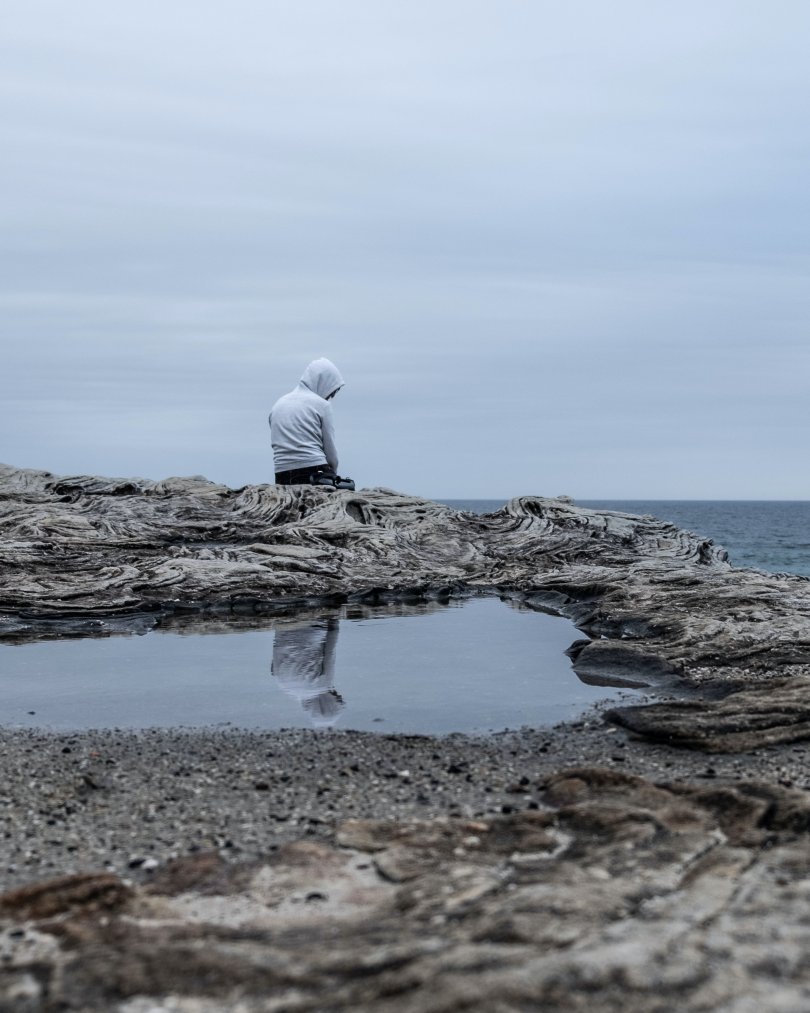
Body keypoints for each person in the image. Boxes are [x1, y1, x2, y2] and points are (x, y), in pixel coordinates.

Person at [269, 357, 350, 486]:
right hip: (314, 471)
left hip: (281, 474)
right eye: (332, 391)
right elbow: (331, 455)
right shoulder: (322, 405)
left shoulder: (278, 405)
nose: (331, 397)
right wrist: (333, 475)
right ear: (322, 382)